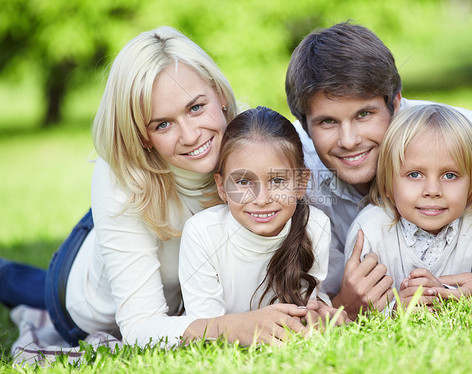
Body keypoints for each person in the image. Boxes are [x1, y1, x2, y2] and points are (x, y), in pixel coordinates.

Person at [0, 27, 312, 347]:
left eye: (195, 107)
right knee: (21, 284)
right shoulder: (119, 181)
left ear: (218, 93)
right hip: (84, 296)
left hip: (171, 269)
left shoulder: (250, 136)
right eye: (162, 124)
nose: (191, 135)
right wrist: (226, 328)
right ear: (143, 134)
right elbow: (138, 328)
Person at [285, 21, 472, 319]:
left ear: (395, 102)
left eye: (364, 114)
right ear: (305, 126)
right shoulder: (294, 172)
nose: (349, 141)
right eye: (328, 122)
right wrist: (347, 306)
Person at [178, 106, 345, 345]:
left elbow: (303, 314)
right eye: (244, 181)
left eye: (277, 180)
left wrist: (319, 314)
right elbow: (207, 330)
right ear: (222, 187)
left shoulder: (315, 226)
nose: (262, 199)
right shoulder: (202, 233)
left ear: (300, 183)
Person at [344, 104, 472, 310]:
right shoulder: (370, 231)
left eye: (450, 175)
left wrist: (443, 296)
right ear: (388, 185)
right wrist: (394, 309)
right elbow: (360, 308)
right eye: (415, 174)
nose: (433, 190)